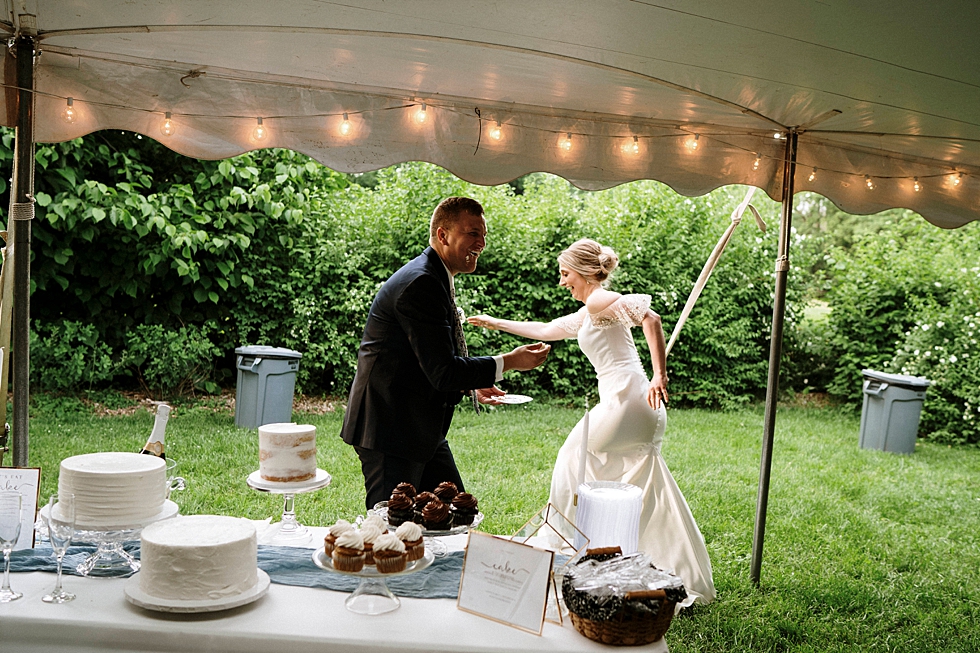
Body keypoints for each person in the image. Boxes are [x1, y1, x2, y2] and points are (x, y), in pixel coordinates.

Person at [467, 238, 715, 605]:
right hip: (640, 406)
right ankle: (634, 558)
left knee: (573, 458)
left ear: (584, 274)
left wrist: (660, 375)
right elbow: (547, 329)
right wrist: (494, 323)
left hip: (626, 400)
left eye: (566, 273)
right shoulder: (591, 311)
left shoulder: (598, 299)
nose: (562, 281)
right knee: (634, 481)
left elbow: (652, 318)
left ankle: (566, 546)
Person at [341, 197, 551, 510]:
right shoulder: (421, 282)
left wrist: (470, 384)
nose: (481, 243)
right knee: (390, 530)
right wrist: (511, 361)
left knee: (457, 511)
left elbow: (427, 361)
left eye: (483, 235)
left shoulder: (434, 275)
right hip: (391, 429)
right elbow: (442, 371)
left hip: (420, 427)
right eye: (472, 234)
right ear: (443, 235)